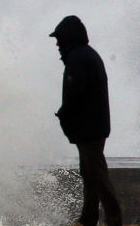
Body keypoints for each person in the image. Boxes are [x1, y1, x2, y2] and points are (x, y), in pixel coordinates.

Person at [51, 15, 122, 226]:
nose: (57, 44)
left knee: (98, 175)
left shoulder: (78, 58)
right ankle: (88, 218)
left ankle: (113, 219)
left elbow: (76, 93)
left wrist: (64, 113)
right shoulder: (86, 55)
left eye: (59, 39)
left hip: (89, 127)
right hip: (93, 126)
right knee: (90, 173)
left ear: (69, 37)